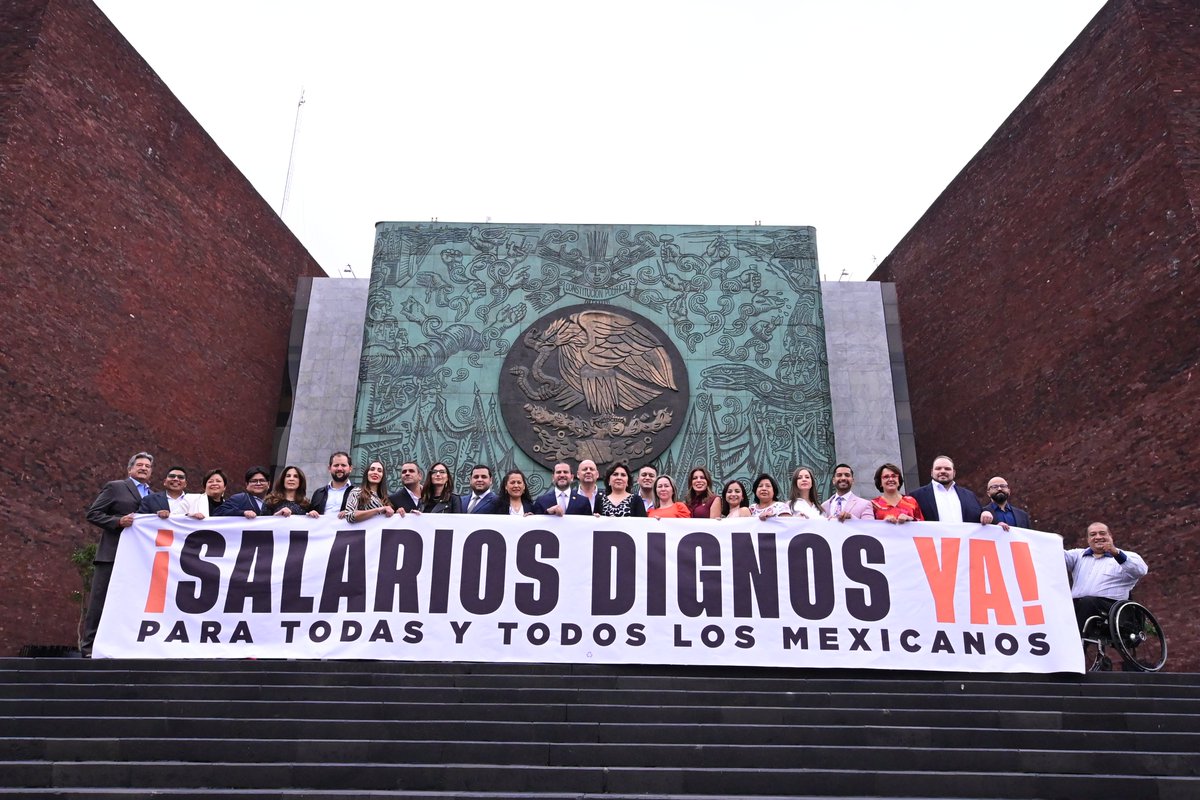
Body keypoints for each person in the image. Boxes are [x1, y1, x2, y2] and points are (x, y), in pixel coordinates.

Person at [82, 451, 154, 657]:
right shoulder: (116, 487)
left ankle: (125, 646)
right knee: (100, 600)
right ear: (130, 468)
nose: (143, 468)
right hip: (112, 554)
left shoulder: (154, 496)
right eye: (139, 465)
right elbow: (93, 513)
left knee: (132, 604)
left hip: (140, 560)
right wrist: (117, 522)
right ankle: (89, 648)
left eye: (147, 467)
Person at [1065, 522, 1148, 631]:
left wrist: (1116, 554)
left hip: (1110, 607)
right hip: (1078, 604)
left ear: (1110, 536)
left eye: (1102, 533)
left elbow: (1140, 570)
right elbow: (1056, 556)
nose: (1098, 537)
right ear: (1088, 539)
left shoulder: (1128, 556)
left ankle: (1076, 642)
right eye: (1093, 534)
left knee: (1087, 602)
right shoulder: (1078, 555)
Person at [911, 456, 993, 524]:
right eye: (938, 468)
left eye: (947, 469)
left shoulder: (970, 496)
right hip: (933, 543)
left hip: (964, 542)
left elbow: (980, 516)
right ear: (932, 472)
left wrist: (985, 514)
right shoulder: (916, 497)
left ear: (954, 473)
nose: (942, 471)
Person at [138, 465, 205, 519]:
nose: (176, 479)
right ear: (164, 482)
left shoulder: (196, 500)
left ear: (185, 484)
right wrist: (156, 516)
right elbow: (139, 520)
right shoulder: (149, 499)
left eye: (180, 477)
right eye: (172, 476)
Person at [310, 452, 355, 516]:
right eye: (336, 465)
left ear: (350, 468)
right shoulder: (318, 493)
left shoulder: (358, 493)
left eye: (343, 465)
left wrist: (352, 514)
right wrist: (311, 513)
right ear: (329, 468)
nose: (339, 468)